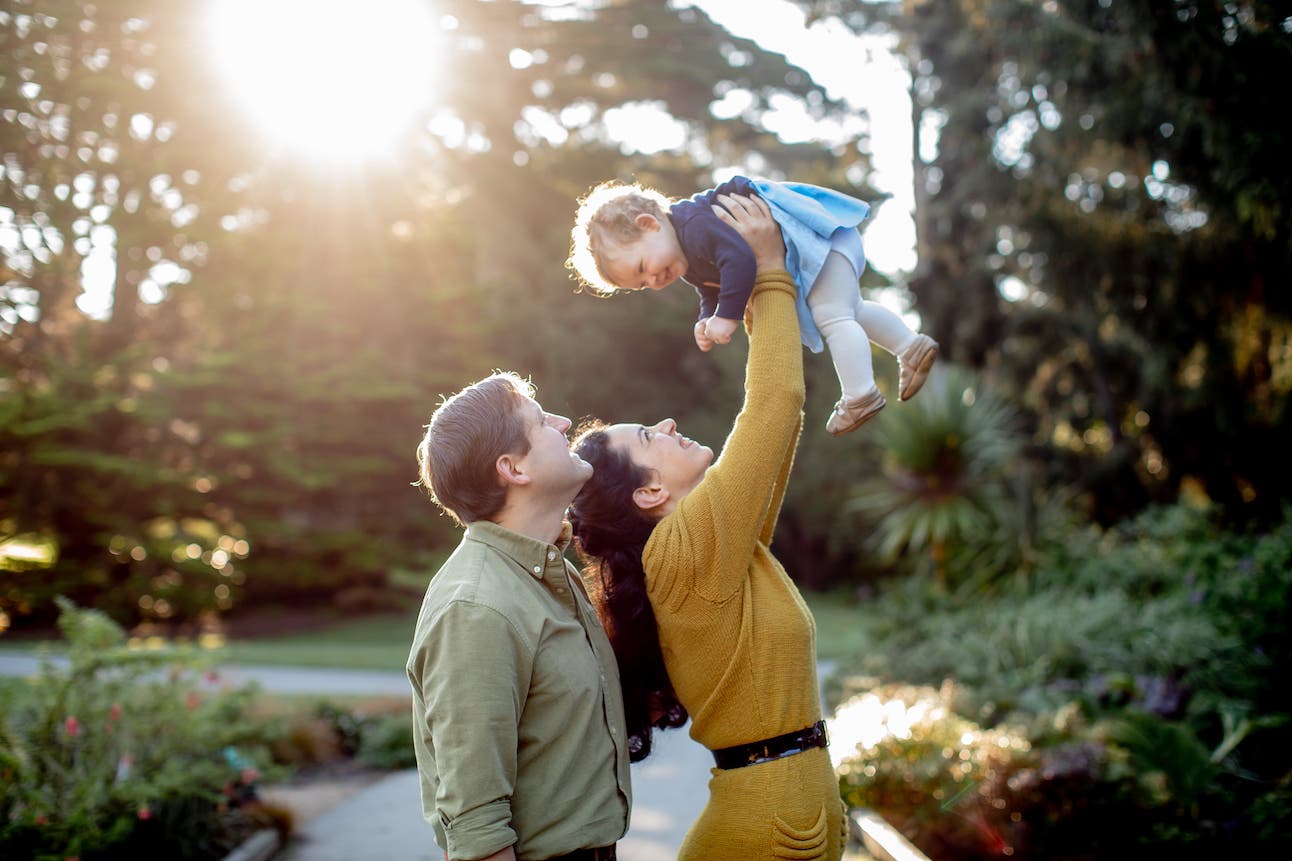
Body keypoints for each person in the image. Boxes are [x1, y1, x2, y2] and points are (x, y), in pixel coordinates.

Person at [568, 193, 847, 861]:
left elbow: (778, 434)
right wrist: (773, 270)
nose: (666, 424)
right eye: (648, 435)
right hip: (774, 820)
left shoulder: (713, 545)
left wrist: (743, 288)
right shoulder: (684, 549)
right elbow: (775, 403)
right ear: (651, 490)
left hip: (784, 811)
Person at [408, 372, 630, 861]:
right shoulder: (476, 606)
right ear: (512, 468)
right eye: (542, 421)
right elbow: (476, 825)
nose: (566, 422)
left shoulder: (549, 573)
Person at [567, 175, 938, 435]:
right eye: (642, 285)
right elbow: (710, 287)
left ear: (649, 224)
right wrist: (707, 316)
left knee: (834, 315)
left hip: (815, 240)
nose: (653, 281)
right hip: (826, 247)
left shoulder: (695, 226)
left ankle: (860, 395)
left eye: (643, 268)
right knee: (850, 311)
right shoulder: (685, 253)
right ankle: (910, 347)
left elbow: (739, 261)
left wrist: (726, 318)